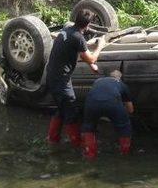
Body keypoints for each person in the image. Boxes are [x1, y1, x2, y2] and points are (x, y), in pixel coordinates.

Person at [46, 10, 106, 148]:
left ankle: (52, 139)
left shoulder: (66, 30)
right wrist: (100, 46)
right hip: (61, 81)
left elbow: (75, 51)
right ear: (88, 24)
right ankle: (77, 144)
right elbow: (91, 57)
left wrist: (91, 65)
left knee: (62, 109)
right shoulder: (78, 38)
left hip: (52, 76)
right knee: (71, 111)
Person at [81, 69, 134, 160]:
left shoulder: (97, 81)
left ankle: (90, 155)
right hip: (113, 103)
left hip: (91, 104)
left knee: (88, 128)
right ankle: (125, 154)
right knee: (124, 127)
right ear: (119, 78)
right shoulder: (122, 84)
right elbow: (131, 110)